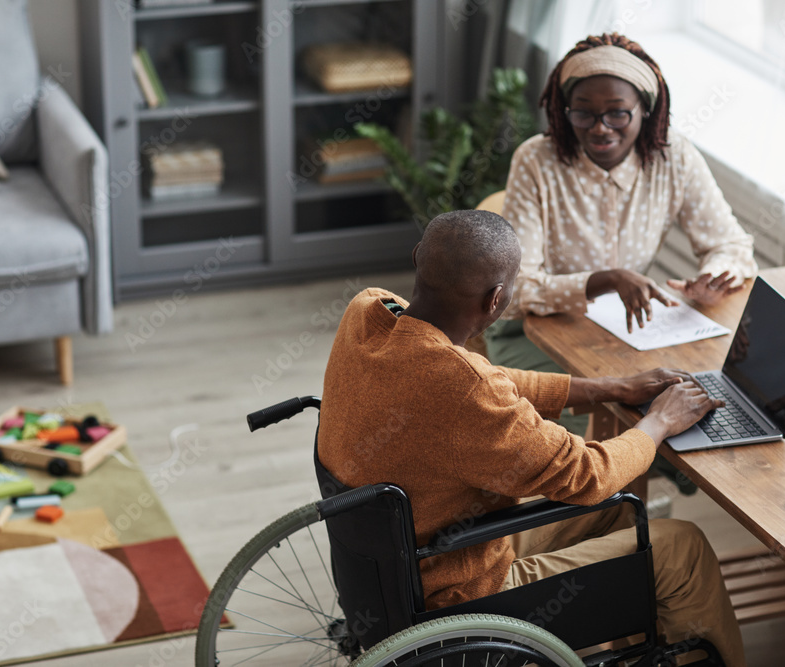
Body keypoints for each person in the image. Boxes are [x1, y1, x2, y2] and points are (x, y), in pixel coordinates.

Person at [318, 210, 746, 666]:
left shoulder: (368, 311)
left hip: (394, 570)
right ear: (496, 299)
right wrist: (659, 421)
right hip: (461, 592)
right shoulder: (463, 389)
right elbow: (588, 474)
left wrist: (611, 387)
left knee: (619, 513)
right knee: (682, 547)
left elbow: (483, 377)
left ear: (418, 257)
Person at [486, 33, 758, 439]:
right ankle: (624, 495)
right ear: (564, 113)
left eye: (617, 114)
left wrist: (715, 274)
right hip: (533, 333)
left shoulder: (673, 156)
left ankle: (633, 495)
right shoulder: (536, 161)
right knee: (621, 421)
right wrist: (606, 280)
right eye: (583, 114)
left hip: (629, 332)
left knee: (699, 402)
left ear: (645, 111)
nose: (600, 129)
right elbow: (516, 292)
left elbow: (733, 246)